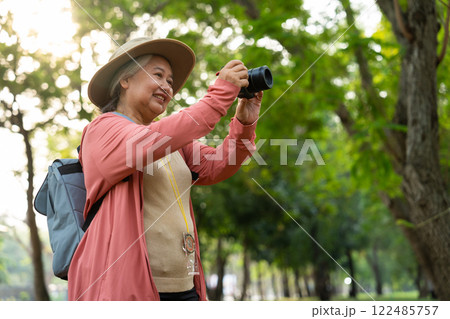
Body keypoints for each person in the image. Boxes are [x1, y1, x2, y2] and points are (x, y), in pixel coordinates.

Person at [67, 37, 263, 301]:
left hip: (185, 289)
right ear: (125, 80)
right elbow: (165, 134)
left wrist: (244, 122)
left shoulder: (173, 142)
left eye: (170, 81)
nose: (167, 86)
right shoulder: (103, 130)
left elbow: (217, 165)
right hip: (129, 292)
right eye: (157, 75)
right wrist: (221, 93)